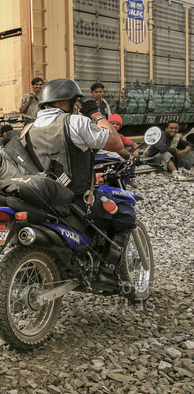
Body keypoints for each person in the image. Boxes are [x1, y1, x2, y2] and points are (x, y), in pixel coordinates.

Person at [21, 78, 131, 284]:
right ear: (63, 102)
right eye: (76, 101)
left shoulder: (27, 129)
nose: (77, 105)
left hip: (41, 198)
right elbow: (115, 142)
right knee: (124, 212)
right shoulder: (75, 122)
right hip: (76, 201)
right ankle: (106, 272)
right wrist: (95, 113)